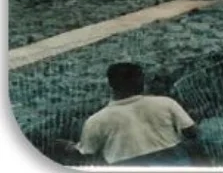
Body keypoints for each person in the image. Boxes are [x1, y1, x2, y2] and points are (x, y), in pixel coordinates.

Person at [57, 62, 198, 166]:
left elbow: (86, 152)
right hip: (173, 161)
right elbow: (192, 131)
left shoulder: (96, 120)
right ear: (143, 82)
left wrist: (69, 147)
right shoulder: (165, 103)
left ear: (110, 85)